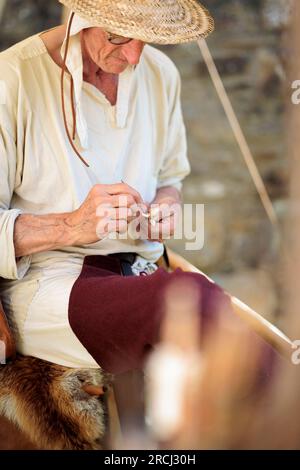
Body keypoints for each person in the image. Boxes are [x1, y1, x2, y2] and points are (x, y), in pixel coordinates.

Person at [0, 0, 274, 377]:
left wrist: (166, 204)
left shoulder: (161, 73)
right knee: (185, 302)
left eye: (146, 38)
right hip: (51, 282)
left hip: (139, 271)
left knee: (210, 319)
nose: (133, 56)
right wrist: (71, 226)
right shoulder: (12, 78)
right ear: (82, 18)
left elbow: (170, 178)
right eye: (119, 36)